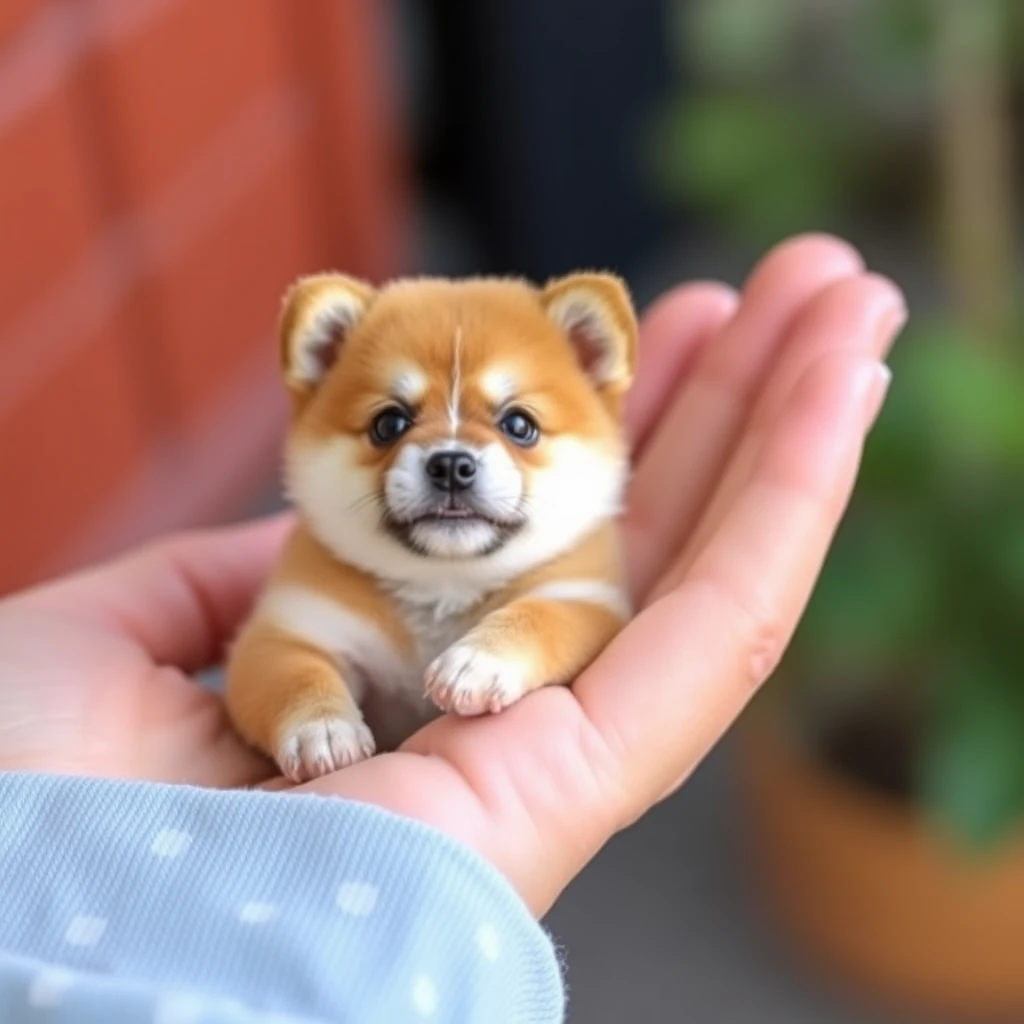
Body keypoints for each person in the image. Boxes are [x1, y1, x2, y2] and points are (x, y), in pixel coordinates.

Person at [0, 235, 904, 1023]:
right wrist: (304, 705)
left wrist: (516, 643)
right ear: (315, 395)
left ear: (595, 389)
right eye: (391, 423)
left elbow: (584, 620)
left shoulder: (575, 571)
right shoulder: (322, 576)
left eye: (516, 424)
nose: (454, 456)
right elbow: (270, 660)